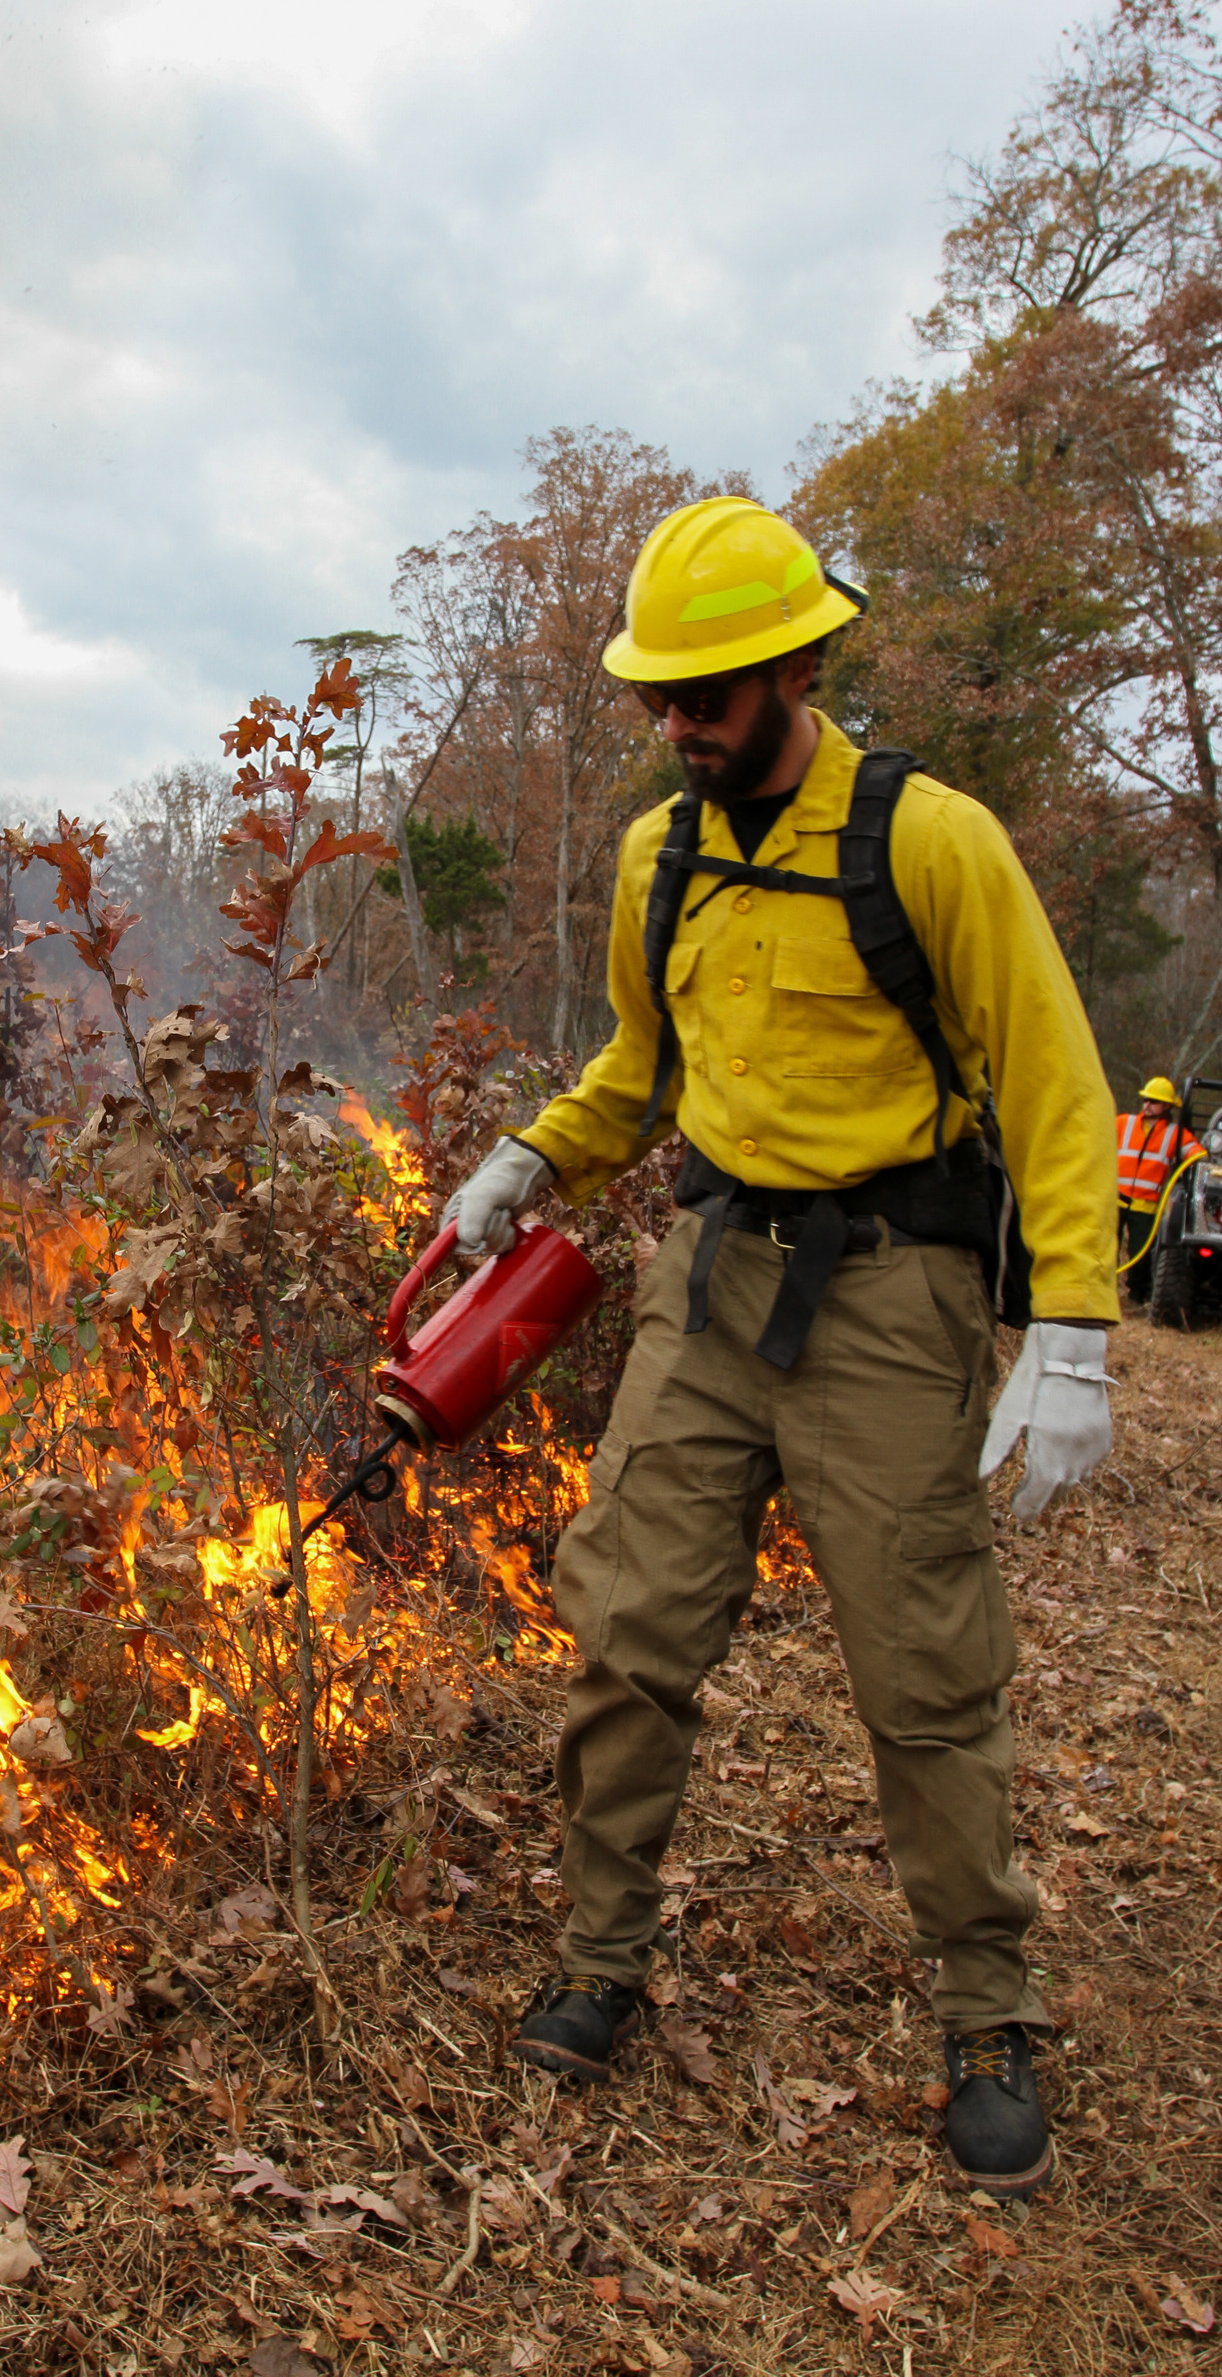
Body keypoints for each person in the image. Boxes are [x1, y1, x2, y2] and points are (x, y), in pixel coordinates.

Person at [445, 498, 1117, 2200]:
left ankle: (984, 2006)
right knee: (625, 1631)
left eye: (709, 692)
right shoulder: (652, 853)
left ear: (798, 663)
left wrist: (1074, 1336)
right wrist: (535, 1155)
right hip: (706, 1275)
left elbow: (1049, 1084)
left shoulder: (930, 841)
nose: (676, 723)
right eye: (658, 697)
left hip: (892, 1299)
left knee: (922, 1676)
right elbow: (635, 1062)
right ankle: (600, 1954)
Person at [1115, 1077, 1199, 1304]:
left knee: (1140, 1255)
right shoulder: (1124, 1123)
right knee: (1104, 1248)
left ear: (1167, 1107)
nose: (1147, 1104)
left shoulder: (1175, 1134)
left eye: (1154, 1101)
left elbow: (1198, 1155)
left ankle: (1137, 1296)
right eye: (1145, 1099)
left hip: (1146, 1206)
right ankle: (1100, 1293)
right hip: (1114, 1200)